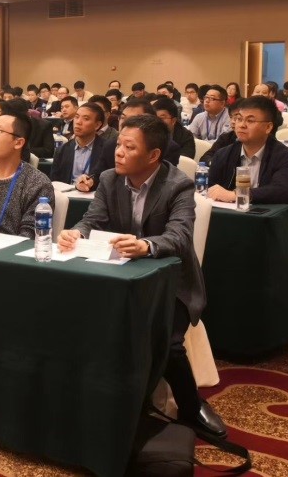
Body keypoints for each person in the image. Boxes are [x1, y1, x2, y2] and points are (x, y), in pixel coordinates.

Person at [57, 114, 225, 439]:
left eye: (129, 147)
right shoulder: (109, 179)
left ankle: (191, 405)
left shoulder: (178, 184)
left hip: (171, 282)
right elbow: (92, 219)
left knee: (166, 340)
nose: (119, 152)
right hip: (120, 275)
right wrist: (76, 233)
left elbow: (179, 236)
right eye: (118, 144)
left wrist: (146, 246)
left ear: (153, 155)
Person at [206, 97, 288, 204]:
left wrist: (237, 195)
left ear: (268, 127)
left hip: (266, 212)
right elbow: (211, 188)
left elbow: (281, 190)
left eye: (250, 121)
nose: (242, 125)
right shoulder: (223, 154)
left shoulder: (284, 155)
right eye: (239, 119)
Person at [98, 98, 182, 173]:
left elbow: (163, 180)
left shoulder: (168, 147)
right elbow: (98, 174)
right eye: (123, 118)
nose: (125, 123)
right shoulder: (110, 145)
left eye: (133, 119)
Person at [52, 103, 109, 192]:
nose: (78, 122)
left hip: (94, 196)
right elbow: (54, 182)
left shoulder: (107, 149)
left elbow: (108, 182)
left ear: (97, 125)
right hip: (67, 196)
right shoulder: (62, 150)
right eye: (76, 117)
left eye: (86, 119)